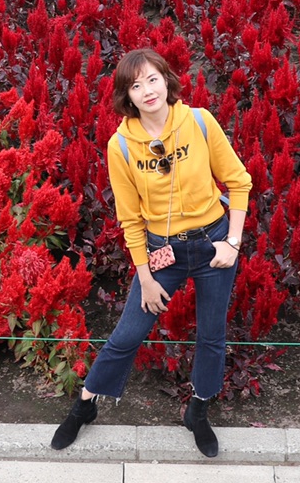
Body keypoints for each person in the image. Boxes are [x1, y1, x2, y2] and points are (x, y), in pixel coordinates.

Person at [50, 48, 251, 457]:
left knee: (211, 336)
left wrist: (233, 242)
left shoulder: (198, 122)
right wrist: (144, 278)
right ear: (127, 96)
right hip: (164, 252)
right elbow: (130, 220)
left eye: (152, 79)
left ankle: (198, 411)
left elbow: (239, 182)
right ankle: (85, 405)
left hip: (213, 244)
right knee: (127, 336)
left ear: (167, 79)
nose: (147, 90)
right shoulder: (121, 146)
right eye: (135, 85)